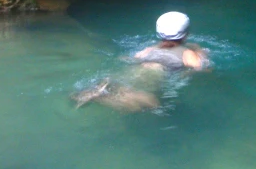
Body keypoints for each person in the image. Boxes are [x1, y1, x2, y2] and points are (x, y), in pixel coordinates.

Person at [71, 11, 209, 112]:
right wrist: (201, 53)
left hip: (138, 69)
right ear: (186, 33)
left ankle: (102, 89)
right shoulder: (188, 52)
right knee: (153, 104)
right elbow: (200, 68)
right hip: (155, 72)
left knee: (125, 83)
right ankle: (101, 96)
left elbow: (130, 59)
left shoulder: (149, 49)